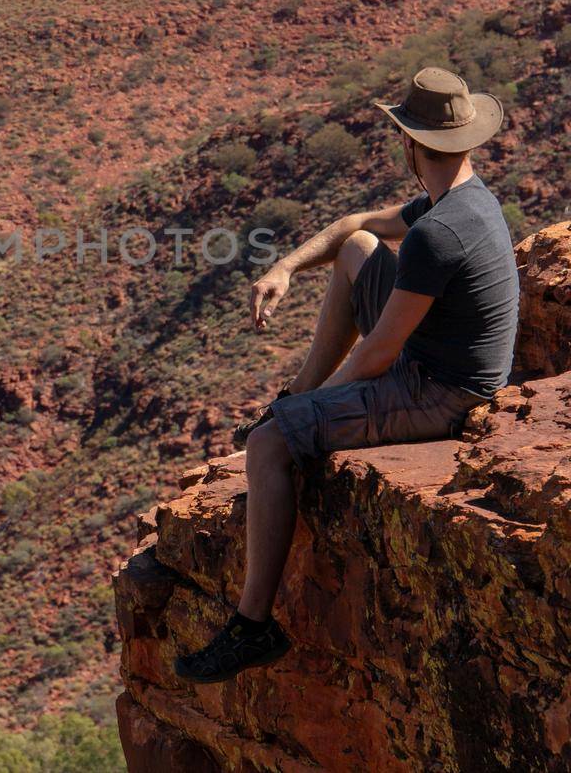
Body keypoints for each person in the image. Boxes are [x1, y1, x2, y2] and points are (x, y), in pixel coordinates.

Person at [173, 66, 520, 684]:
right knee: (360, 247)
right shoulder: (462, 198)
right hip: (440, 360)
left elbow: (377, 355)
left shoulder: (438, 236)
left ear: (410, 144)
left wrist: (295, 421)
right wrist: (284, 267)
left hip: (440, 392)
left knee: (268, 444)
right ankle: (301, 393)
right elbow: (355, 226)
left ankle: (252, 626)